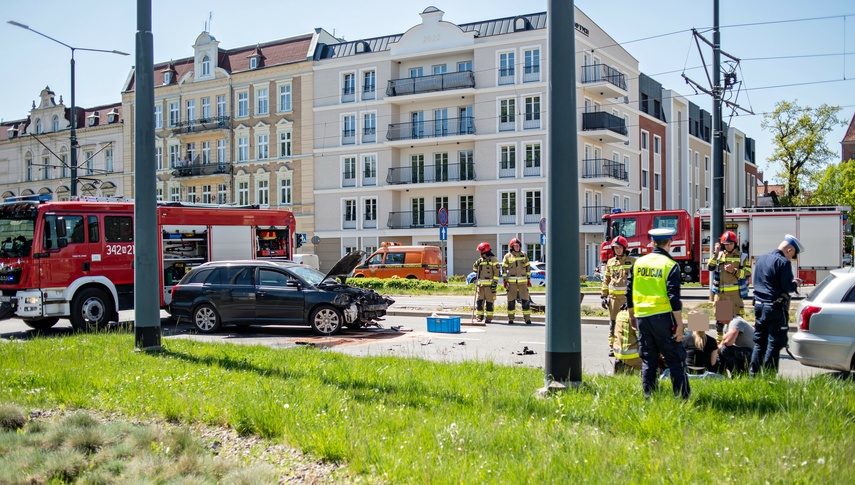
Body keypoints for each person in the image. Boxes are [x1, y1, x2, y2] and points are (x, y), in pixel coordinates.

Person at [627, 227, 690, 399]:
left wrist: (632, 317)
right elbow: (673, 297)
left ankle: (649, 396)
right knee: (675, 358)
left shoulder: (638, 263)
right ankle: (681, 397)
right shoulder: (671, 266)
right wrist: (679, 323)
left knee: (649, 359)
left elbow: (629, 292)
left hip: (642, 318)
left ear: (652, 243)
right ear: (669, 243)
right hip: (663, 318)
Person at [750, 234, 804, 375]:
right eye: (793, 256)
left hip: (758, 306)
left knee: (759, 342)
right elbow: (787, 287)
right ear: (789, 250)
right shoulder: (783, 262)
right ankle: (769, 377)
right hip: (774, 307)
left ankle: (753, 375)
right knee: (774, 343)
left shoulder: (761, 258)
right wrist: (796, 283)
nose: (791, 259)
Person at [708, 231, 751, 342]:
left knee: (738, 321)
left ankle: (738, 342)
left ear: (735, 243)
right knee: (720, 321)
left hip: (735, 295)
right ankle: (720, 344)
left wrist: (734, 271)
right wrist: (715, 253)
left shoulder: (742, 256)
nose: (728, 246)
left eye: (731, 244)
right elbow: (710, 267)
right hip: (722, 295)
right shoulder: (719, 255)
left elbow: (748, 272)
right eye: (726, 244)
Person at [601, 236, 635, 356]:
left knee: (629, 324)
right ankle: (612, 347)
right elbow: (606, 280)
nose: (618, 250)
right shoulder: (610, 262)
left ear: (624, 248)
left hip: (627, 300)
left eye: (620, 247)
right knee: (613, 324)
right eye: (616, 248)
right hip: (614, 300)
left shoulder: (632, 261)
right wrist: (603, 296)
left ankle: (629, 346)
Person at [502, 238, 532, 325]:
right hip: (512, 283)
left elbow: (528, 267)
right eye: (516, 246)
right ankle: (511, 318)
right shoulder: (508, 256)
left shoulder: (524, 255)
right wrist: (505, 281)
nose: (517, 247)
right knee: (511, 301)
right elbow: (504, 269)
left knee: (525, 301)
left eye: (518, 246)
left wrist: (528, 279)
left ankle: (527, 319)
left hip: (523, 282)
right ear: (512, 247)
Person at [473, 242, 500, 323]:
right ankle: (479, 317)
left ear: (484, 251)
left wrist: (494, 284)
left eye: (480, 251)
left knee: (489, 303)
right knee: (479, 302)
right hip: (480, 286)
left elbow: (497, 273)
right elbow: (475, 270)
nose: (480, 253)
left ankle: (489, 318)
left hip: (489, 287)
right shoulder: (480, 261)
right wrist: (476, 265)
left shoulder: (493, 260)